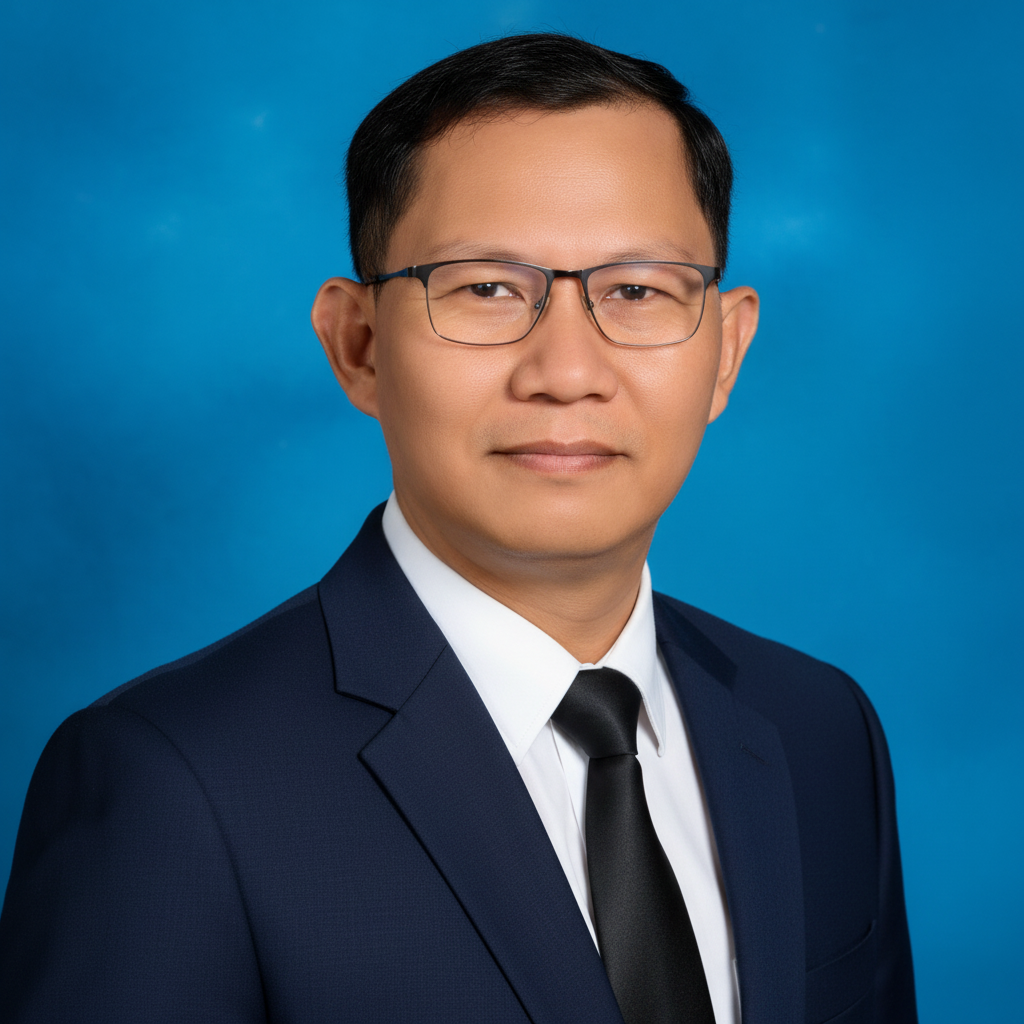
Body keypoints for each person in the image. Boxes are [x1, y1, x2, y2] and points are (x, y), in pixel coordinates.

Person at [0, 33, 916, 1024]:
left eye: (638, 290)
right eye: (485, 288)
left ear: (725, 347)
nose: (567, 370)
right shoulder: (167, 782)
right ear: (358, 345)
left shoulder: (818, 729)